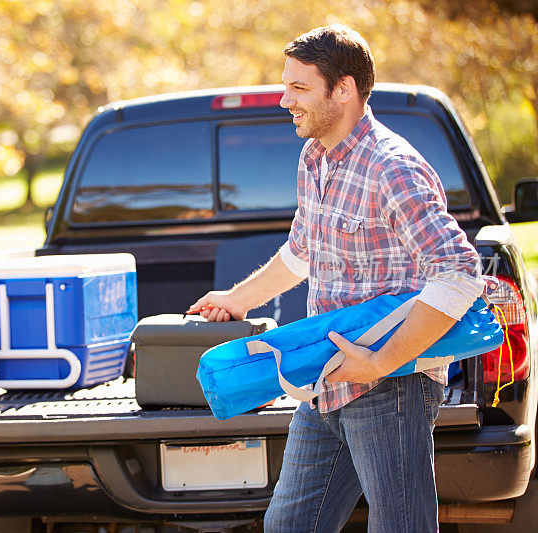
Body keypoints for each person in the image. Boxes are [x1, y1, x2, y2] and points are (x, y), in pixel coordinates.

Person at [189, 25, 485, 532]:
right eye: (287, 87)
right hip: (325, 378)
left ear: (343, 89)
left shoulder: (392, 169)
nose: (285, 101)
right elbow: (303, 254)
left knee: (401, 526)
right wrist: (238, 299)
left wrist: (379, 362)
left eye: (299, 88)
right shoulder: (315, 157)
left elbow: (458, 272)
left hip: (392, 384)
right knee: (289, 526)